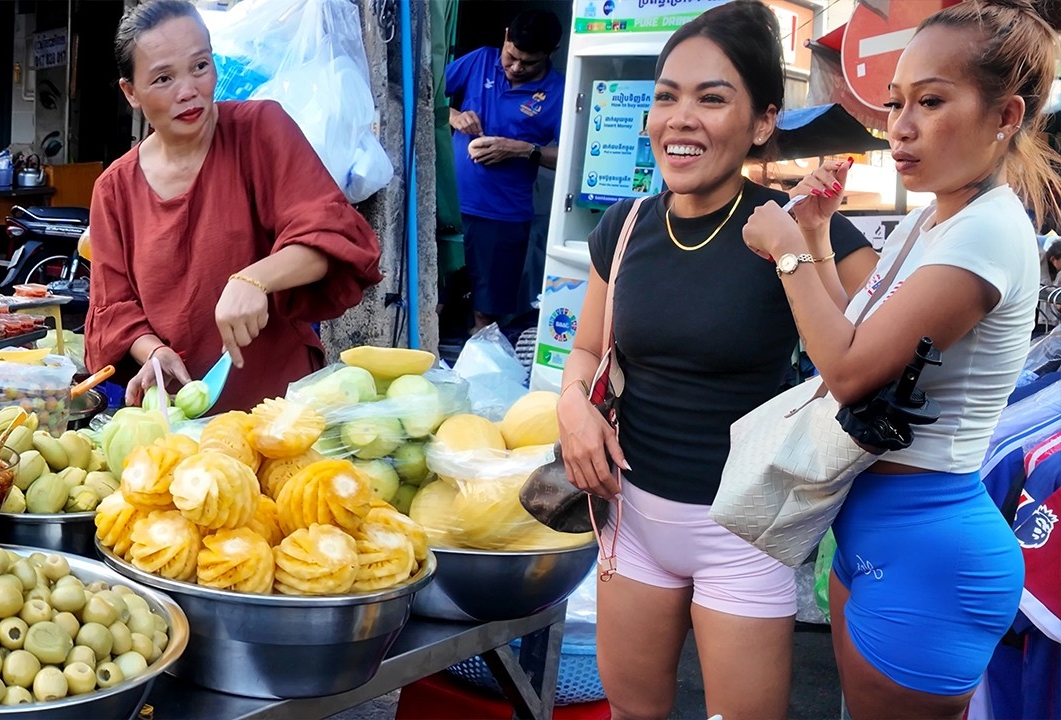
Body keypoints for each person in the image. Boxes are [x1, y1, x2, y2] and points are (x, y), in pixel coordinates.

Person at [739, 1, 1061, 717]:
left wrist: (787, 252)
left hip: (930, 551)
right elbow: (848, 339)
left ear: (1006, 115)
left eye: (931, 101)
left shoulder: (987, 236)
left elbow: (851, 375)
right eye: (896, 102)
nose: (900, 126)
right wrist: (817, 235)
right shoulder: (932, 219)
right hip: (872, 533)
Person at [556, 3, 875, 718]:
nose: (681, 118)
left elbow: (876, 356)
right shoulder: (625, 223)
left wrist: (805, 246)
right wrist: (572, 406)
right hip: (630, 523)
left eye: (712, 97)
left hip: (745, 535)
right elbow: (584, 350)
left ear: (763, 123)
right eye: (667, 96)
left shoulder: (796, 227)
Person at [84, 0, 383, 412]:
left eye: (200, 66)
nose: (188, 90)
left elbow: (332, 236)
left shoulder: (261, 131)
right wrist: (153, 352)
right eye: (163, 78)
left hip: (279, 409)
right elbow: (114, 306)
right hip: (181, 420)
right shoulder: (114, 190)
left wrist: (254, 279)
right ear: (130, 92)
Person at [445, 10, 564, 331]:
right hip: (449, 207)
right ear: (506, 35)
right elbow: (422, 96)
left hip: (503, 216)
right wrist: (453, 115)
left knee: (487, 315)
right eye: (511, 56)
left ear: (550, 54)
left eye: (528, 63)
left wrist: (524, 150)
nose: (514, 67)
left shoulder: (558, 92)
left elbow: (571, 159)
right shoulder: (480, 61)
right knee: (434, 299)